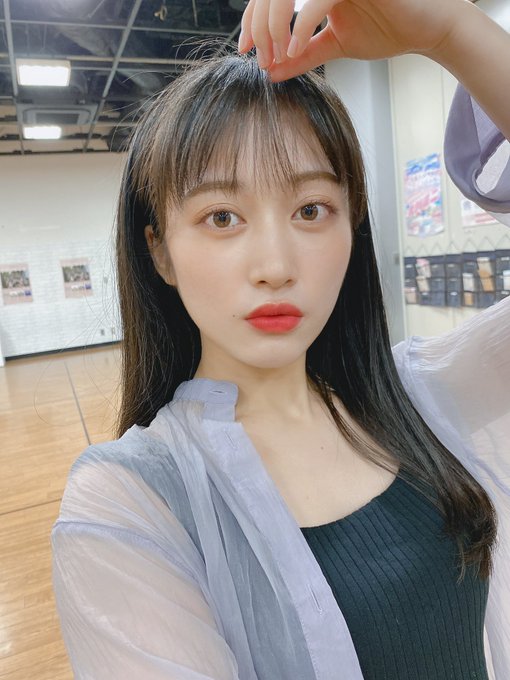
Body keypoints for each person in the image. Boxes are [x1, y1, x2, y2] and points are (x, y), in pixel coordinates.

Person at [51, 0, 510, 678]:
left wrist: (454, 31)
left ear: (352, 226)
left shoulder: (425, 396)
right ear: (160, 251)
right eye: (222, 217)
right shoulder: (131, 505)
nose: (275, 265)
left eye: (311, 210)